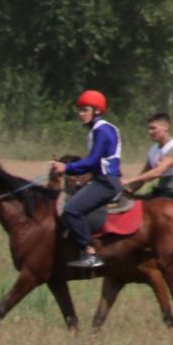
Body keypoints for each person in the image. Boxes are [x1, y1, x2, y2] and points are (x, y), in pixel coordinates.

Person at [50, 90, 123, 269]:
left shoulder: (102, 130)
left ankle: (89, 253)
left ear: (96, 110)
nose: (80, 114)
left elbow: (92, 161)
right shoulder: (97, 130)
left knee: (72, 209)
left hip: (106, 182)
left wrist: (66, 168)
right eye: (79, 110)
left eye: (84, 110)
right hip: (101, 179)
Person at [125, 112, 173, 202]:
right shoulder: (153, 150)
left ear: (166, 127)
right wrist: (127, 191)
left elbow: (157, 172)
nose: (150, 132)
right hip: (160, 192)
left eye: (153, 128)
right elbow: (143, 176)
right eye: (149, 128)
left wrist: (128, 180)